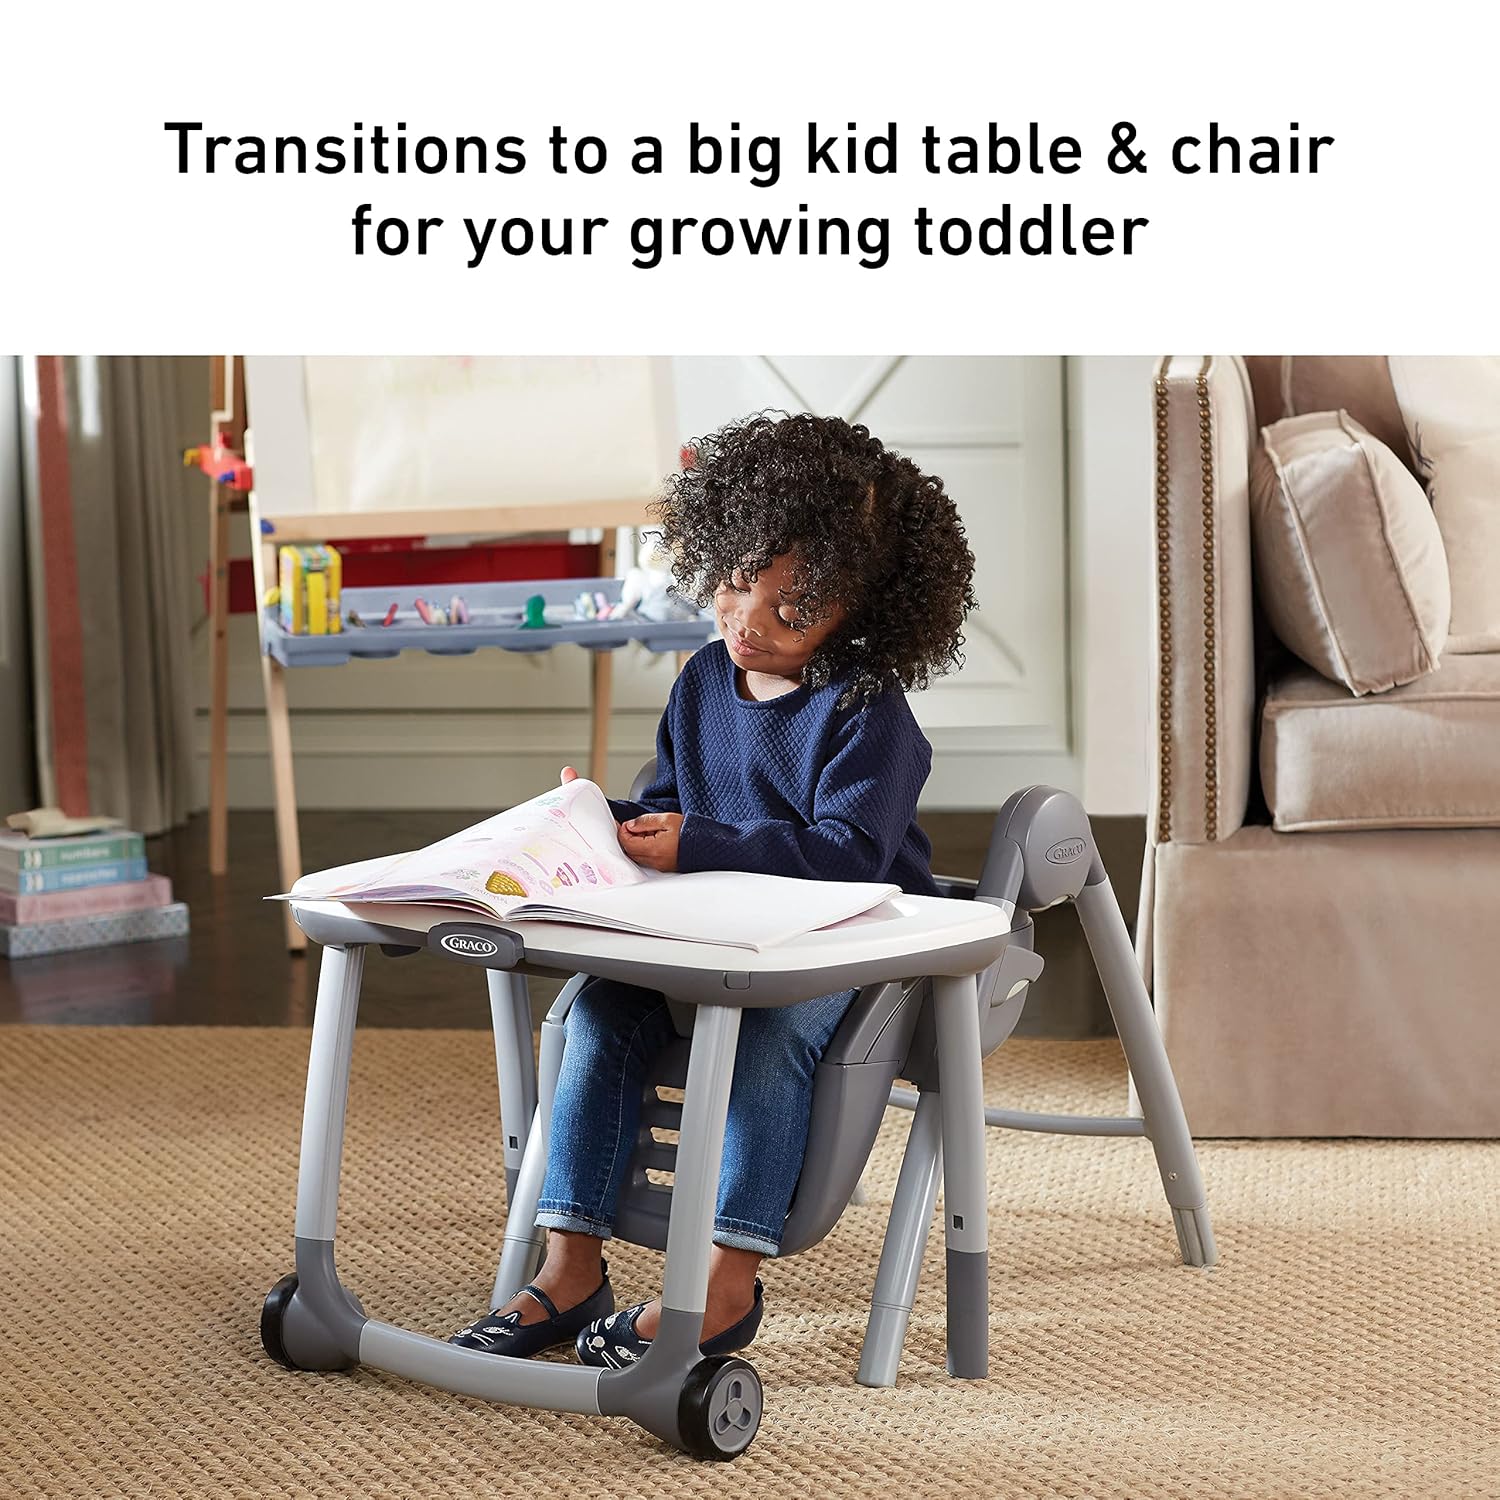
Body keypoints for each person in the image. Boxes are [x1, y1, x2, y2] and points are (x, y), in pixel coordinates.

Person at [452, 411, 976, 1366]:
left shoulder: (867, 712)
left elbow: (852, 856)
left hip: (840, 951)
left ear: (862, 613)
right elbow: (668, 810)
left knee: (772, 1042)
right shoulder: (701, 680)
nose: (748, 621)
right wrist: (595, 821)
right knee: (601, 1015)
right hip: (704, 942)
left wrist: (698, 843)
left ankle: (722, 1291)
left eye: (792, 610)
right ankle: (570, 1270)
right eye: (737, 584)